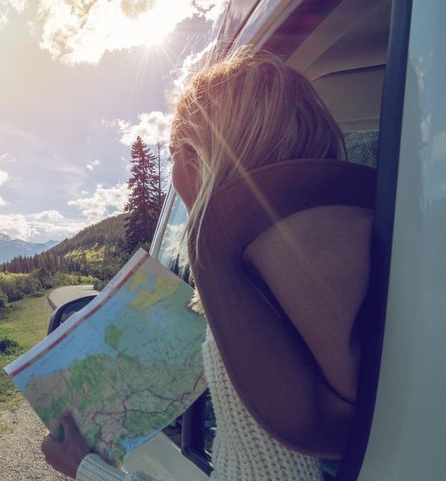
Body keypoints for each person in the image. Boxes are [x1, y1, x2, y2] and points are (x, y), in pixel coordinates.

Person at [41, 48, 375, 481]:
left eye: (177, 152)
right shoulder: (369, 243)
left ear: (199, 159)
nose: (176, 171)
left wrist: (86, 468)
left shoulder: (249, 293)